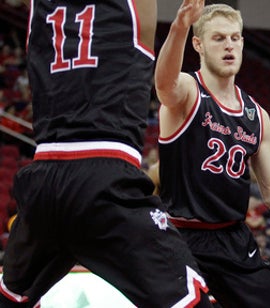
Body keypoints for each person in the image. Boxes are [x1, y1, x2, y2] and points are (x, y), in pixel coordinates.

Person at [0, 0, 212, 307]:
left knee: (10, 297)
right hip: (104, 176)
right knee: (192, 300)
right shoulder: (135, 7)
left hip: (43, 180)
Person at [153, 2, 270, 307]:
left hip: (232, 239)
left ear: (243, 43)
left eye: (235, 38)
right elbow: (164, 85)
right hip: (180, 238)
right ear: (199, 44)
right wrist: (180, 26)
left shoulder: (258, 116)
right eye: (219, 38)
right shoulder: (187, 91)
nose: (229, 45)